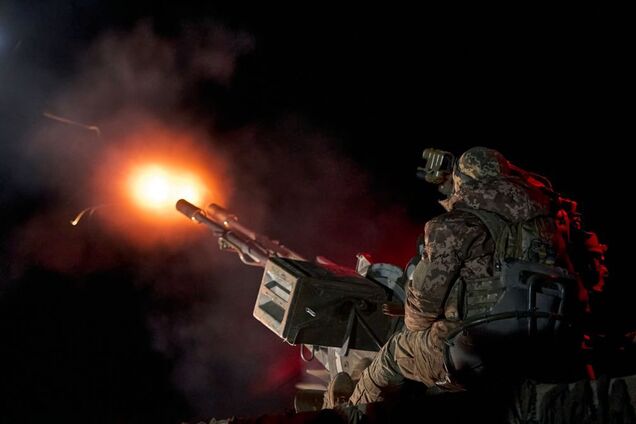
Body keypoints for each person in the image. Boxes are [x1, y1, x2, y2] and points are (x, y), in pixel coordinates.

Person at [347, 146, 590, 405]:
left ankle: (343, 416)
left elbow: (419, 316)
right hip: (543, 348)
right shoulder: (547, 226)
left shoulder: (452, 226)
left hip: (478, 350)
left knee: (389, 358)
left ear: (462, 181)